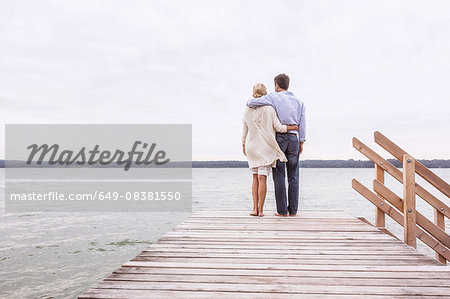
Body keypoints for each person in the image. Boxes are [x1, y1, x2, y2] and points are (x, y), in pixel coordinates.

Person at [247, 74, 306, 217]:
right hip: (293, 139)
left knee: (279, 176)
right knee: (294, 177)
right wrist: (301, 141)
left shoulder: (273, 97)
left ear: (276, 85)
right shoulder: (299, 102)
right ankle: (293, 211)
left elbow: (250, 103)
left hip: (279, 140)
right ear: (288, 85)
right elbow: (302, 123)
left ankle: (282, 211)